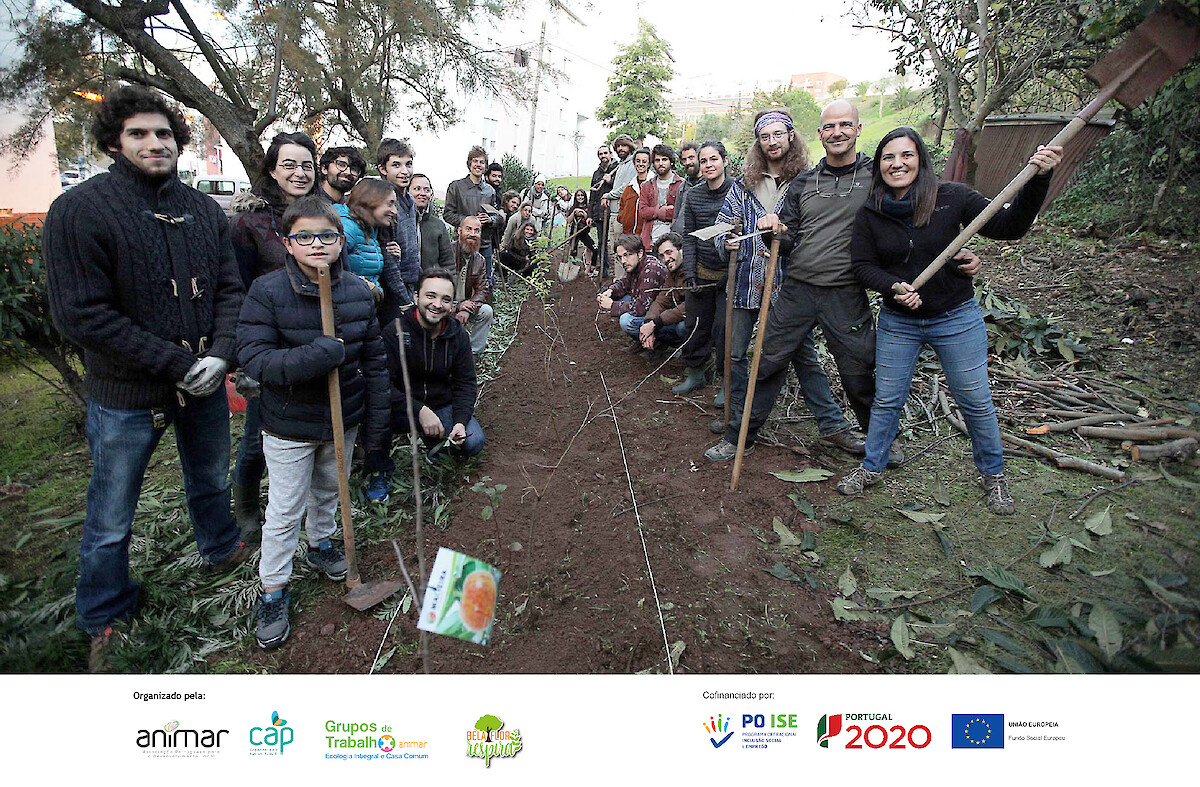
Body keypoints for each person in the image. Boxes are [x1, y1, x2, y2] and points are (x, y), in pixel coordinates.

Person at [42, 85, 249, 671]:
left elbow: (229, 290)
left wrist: (223, 353)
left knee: (210, 477)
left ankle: (220, 547)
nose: (154, 143)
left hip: (204, 384)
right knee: (112, 513)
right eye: (139, 133)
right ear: (113, 141)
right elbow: (82, 315)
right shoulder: (80, 211)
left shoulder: (205, 210)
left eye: (163, 133)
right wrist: (179, 363)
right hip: (127, 395)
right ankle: (104, 613)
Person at [837, 127, 1062, 515]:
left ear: (921, 159)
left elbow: (1011, 227)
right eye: (889, 157)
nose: (897, 164)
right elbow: (861, 266)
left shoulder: (952, 198)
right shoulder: (871, 213)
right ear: (879, 166)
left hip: (954, 317)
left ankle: (993, 475)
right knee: (888, 399)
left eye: (906, 155)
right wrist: (892, 286)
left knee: (974, 399)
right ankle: (871, 466)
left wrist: (1038, 179)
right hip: (899, 322)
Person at [236, 196, 388, 647]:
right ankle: (274, 588)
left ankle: (323, 545)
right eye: (304, 236)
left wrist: (376, 424)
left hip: (345, 418)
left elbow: (375, 361)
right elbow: (256, 359)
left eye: (327, 235)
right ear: (287, 242)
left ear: (342, 241)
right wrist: (319, 355)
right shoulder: (267, 292)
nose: (317, 244)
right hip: (289, 423)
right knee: (285, 509)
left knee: (330, 489)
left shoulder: (358, 292)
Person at [712, 101, 890, 464]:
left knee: (855, 367)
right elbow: (778, 233)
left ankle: (877, 440)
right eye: (764, 136)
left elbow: (905, 218)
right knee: (766, 361)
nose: (772, 141)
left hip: (842, 290)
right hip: (780, 285)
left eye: (778, 134)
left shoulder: (873, 178)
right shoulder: (757, 184)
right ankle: (740, 434)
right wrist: (760, 235)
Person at [229, 132, 320, 535]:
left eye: (306, 165)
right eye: (289, 164)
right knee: (257, 436)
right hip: (269, 346)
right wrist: (243, 356)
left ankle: (304, 512)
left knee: (308, 428)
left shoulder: (323, 215)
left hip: (314, 340)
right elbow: (235, 288)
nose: (299, 173)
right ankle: (247, 507)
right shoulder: (251, 222)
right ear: (271, 169)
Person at [368, 271, 485, 492]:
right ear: (416, 297)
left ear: (452, 306)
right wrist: (419, 410)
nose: (437, 304)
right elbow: (381, 384)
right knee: (374, 412)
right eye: (430, 296)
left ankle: (436, 446)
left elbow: (465, 383)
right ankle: (379, 469)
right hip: (400, 406)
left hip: (441, 404)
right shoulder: (395, 332)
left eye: (446, 300)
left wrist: (460, 421)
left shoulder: (457, 336)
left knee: (473, 441)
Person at [675, 140, 734, 395]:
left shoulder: (738, 192)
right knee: (695, 326)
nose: (708, 165)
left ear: (725, 161)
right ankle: (696, 374)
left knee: (723, 330)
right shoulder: (694, 195)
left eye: (713, 159)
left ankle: (725, 382)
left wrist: (731, 273)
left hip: (729, 276)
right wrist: (690, 273)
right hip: (700, 271)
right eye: (703, 161)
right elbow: (688, 236)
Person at [598, 233, 668, 352]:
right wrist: (610, 291)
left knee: (626, 321)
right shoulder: (636, 265)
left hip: (663, 315)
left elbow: (640, 307)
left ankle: (657, 343)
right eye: (620, 257)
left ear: (640, 253)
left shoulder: (651, 269)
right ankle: (642, 339)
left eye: (627, 255)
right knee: (621, 299)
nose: (623, 261)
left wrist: (611, 305)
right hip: (650, 307)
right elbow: (624, 283)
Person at [374, 138, 421, 314]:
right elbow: (389, 261)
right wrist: (405, 300)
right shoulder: (385, 204)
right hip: (392, 291)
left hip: (410, 284)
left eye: (408, 164)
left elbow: (413, 249)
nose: (404, 171)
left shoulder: (410, 201)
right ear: (382, 168)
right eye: (396, 165)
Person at [444, 146, 505, 281]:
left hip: (484, 243)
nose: (478, 165)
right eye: (475, 161)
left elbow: (498, 217)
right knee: (458, 280)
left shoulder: (490, 191)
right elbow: (448, 214)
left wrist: (490, 220)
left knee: (485, 281)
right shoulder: (456, 187)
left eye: (482, 162)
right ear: (469, 163)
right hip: (462, 243)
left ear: (485, 166)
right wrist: (469, 222)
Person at [336, 178, 399, 298]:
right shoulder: (348, 228)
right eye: (390, 204)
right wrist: (364, 285)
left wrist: (394, 257)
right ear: (370, 201)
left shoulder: (371, 229)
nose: (394, 211)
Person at [638, 232, 690, 357]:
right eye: (662, 256)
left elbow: (689, 307)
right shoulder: (671, 273)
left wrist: (656, 323)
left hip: (700, 320)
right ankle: (659, 345)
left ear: (681, 250)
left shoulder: (693, 271)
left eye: (669, 252)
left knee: (682, 328)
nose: (666, 259)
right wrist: (649, 323)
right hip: (678, 316)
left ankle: (694, 356)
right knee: (642, 324)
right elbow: (661, 300)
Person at [451, 216, 495, 354]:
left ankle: (473, 353)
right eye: (468, 229)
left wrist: (467, 307)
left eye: (477, 231)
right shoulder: (447, 252)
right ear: (459, 231)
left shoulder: (479, 259)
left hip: (466, 304)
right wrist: (456, 306)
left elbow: (483, 289)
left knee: (486, 311)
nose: (472, 234)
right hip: (445, 304)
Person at [601, 134, 637, 275]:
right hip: (614, 212)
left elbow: (626, 188)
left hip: (622, 214)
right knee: (615, 249)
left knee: (623, 251)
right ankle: (618, 280)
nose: (621, 148)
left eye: (624, 145)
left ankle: (622, 281)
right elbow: (618, 186)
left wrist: (608, 195)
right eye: (618, 146)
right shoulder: (621, 165)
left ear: (630, 147)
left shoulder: (632, 164)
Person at [638, 143, 684, 249]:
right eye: (657, 160)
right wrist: (662, 211)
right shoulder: (647, 186)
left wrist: (654, 212)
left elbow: (681, 213)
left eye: (664, 159)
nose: (661, 163)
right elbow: (643, 212)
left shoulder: (681, 184)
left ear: (671, 161)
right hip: (650, 241)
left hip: (673, 242)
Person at [410, 173, 452, 270]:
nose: (422, 193)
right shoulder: (399, 222)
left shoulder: (438, 225)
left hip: (432, 282)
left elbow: (448, 263)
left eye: (427, 190)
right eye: (417, 189)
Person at [589, 143, 618, 275]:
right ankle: (604, 270)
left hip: (614, 212)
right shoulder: (596, 173)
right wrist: (590, 215)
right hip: (600, 213)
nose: (603, 156)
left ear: (611, 154)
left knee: (615, 243)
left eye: (605, 153)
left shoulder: (617, 169)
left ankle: (619, 271)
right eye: (600, 154)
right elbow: (592, 195)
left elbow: (621, 188)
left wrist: (610, 181)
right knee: (601, 243)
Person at [671, 141, 702, 236]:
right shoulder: (682, 187)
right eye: (684, 160)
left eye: (691, 158)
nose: (687, 162)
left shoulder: (708, 184)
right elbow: (676, 217)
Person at [618, 148, 651, 235]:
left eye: (644, 161)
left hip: (647, 234)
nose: (640, 164)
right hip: (629, 234)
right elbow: (622, 206)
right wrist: (623, 218)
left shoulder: (654, 185)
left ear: (649, 164)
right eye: (638, 161)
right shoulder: (629, 187)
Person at [567, 188, 597, 272]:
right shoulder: (573, 207)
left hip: (584, 233)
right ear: (575, 197)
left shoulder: (588, 208)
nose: (580, 197)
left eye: (582, 195)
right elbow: (568, 221)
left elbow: (591, 221)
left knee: (595, 249)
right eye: (578, 196)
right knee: (573, 252)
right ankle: (571, 269)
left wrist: (583, 213)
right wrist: (574, 212)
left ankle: (592, 267)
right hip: (574, 233)